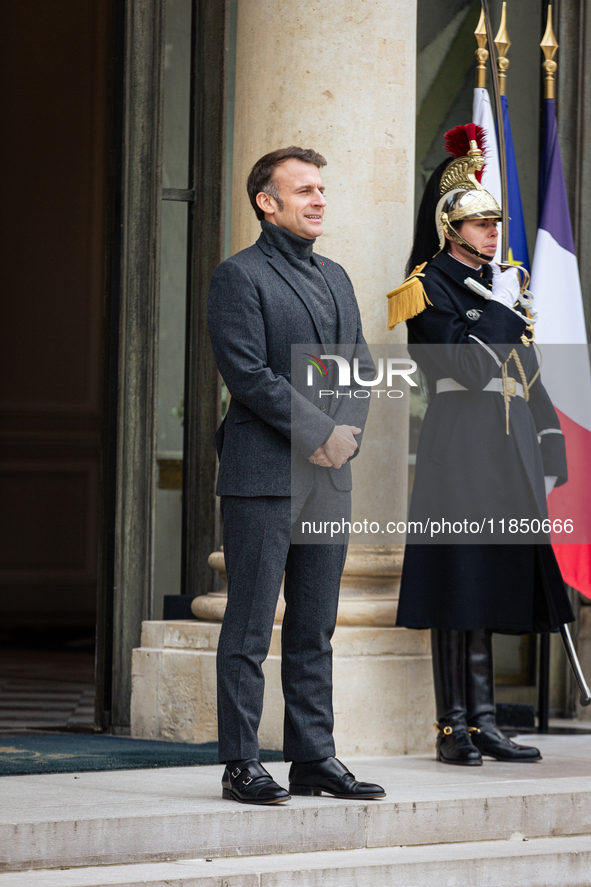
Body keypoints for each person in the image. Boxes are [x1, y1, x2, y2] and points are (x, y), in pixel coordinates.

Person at [387, 124, 575, 766]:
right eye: (480, 223)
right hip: (460, 441)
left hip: (511, 442)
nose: (493, 232)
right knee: (457, 578)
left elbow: (527, 370)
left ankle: (488, 722)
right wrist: (498, 311)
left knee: (493, 575)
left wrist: (550, 444)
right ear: (450, 228)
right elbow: (466, 369)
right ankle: (452, 727)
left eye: (496, 222)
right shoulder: (426, 287)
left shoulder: (502, 283)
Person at [208, 146, 385, 803]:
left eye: (320, 189)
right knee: (250, 625)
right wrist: (319, 433)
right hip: (263, 476)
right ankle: (240, 762)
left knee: (313, 627)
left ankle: (312, 757)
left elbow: (359, 366)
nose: (318, 200)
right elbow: (247, 374)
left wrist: (345, 438)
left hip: (327, 478)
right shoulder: (239, 276)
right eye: (303, 190)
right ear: (267, 202)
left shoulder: (336, 277)